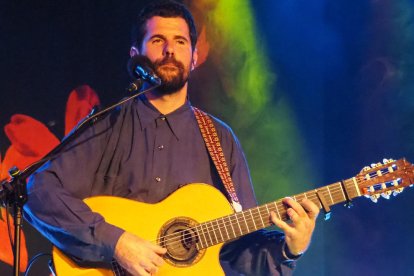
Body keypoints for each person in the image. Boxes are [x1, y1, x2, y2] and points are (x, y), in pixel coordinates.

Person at [23, 1, 319, 275]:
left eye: (180, 41)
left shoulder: (220, 140)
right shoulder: (106, 125)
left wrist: (290, 250)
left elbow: (241, 253)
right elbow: (38, 191)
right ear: (135, 56)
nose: (169, 50)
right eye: (157, 40)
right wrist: (116, 242)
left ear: (194, 57)